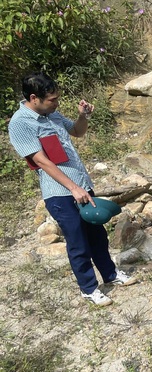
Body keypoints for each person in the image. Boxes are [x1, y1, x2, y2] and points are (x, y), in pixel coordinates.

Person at [8, 72, 135, 306]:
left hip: (81, 186)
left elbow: (77, 131)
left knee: (97, 234)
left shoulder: (51, 114)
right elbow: (41, 161)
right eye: (52, 99)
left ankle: (110, 274)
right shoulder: (20, 123)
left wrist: (82, 116)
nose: (56, 103)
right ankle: (88, 288)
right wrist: (73, 188)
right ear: (34, 98)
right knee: (78, 241)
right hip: (59, 192)